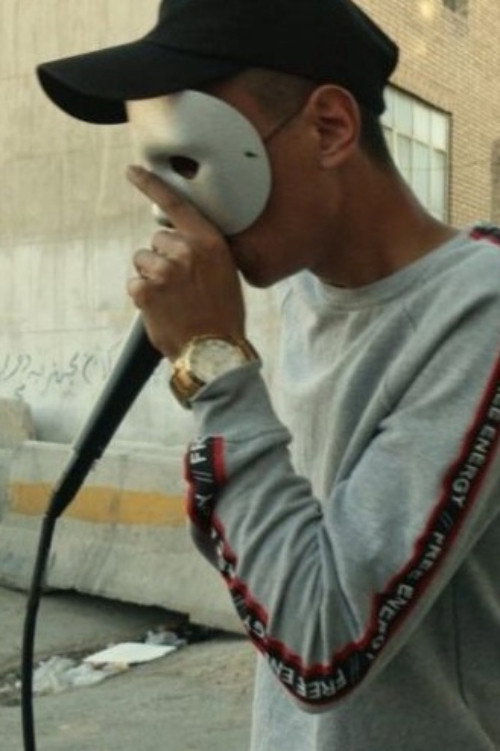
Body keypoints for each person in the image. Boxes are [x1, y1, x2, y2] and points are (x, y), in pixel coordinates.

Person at [37, 0, 500, 749]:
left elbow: (322, 643)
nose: (178, 213)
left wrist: (213, 367)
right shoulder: (302, 289)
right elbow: (278, 565)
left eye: (195, 162)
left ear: (330, 128)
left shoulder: (480, 315)